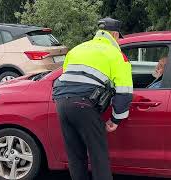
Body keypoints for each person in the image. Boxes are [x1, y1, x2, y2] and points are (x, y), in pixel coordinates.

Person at [52, 17, 133, 180]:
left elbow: (66, 77)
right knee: (98, 156)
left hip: (61, 103)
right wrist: (115, 120)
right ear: (115, 35)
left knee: (75, 155)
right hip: (84, 104)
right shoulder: (115, 54)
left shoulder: (77, 49)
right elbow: (125, 91)